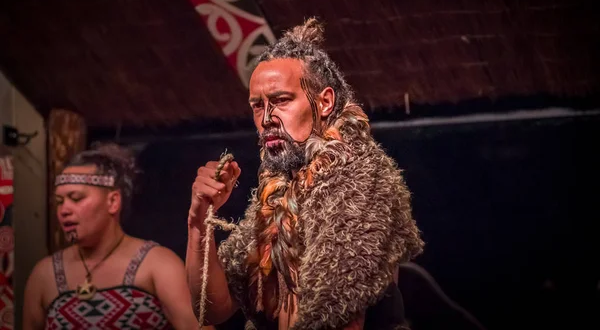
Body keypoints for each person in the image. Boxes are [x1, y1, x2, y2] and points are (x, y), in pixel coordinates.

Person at [187, 18, 424, 329]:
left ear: (324, 102)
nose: (267, 118)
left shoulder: (362, 179)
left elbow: (337, 317)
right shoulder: (277, 192)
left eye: (281, 100)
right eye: (258, 106)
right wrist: (198, 221)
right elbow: (214, 309)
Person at [23, 143, 203, 329]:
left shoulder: (158, 264)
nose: (64, 210)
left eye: (76, 198)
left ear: (113, 202)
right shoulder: (44, 275)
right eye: (59, 202)